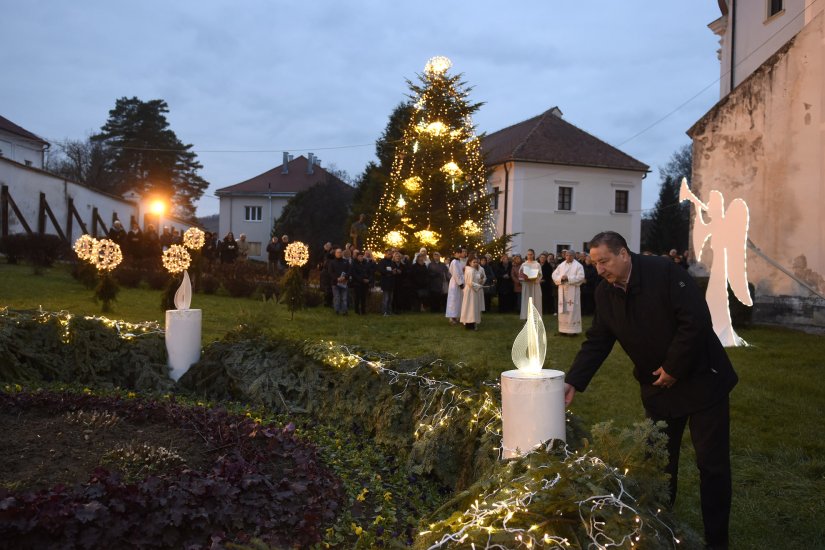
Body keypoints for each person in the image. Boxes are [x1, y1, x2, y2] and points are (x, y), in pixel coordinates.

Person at [564, 231, 737, 550]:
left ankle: (717, 540)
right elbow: (598, 340)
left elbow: (695, 320)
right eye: (594, 263)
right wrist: (573, 380)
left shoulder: (665, 272)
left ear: (624, 254)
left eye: (604, 261)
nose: (599, 269)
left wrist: (673, 367)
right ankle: (660, 530)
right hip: (658, 389)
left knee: (711, 465)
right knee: (658, 464)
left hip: (703, 381)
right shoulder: (605, 293)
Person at [552, 250, 585, 335]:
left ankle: (573, 331)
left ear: (574, 256)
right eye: (567, 255)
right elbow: (554, 275)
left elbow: (581, 277)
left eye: (570, 255)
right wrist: (561, 278)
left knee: (572, 310)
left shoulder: (578, 266)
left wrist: (568, 278)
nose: (568, 257)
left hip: (573, 291)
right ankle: (563, 330)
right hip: (562, 291)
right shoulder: (561, 265)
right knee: (563, 310)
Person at [460, 254, 485, 330]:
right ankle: (470, 324)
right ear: (469, 262)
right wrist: (479, 286)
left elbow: (474, 279)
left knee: (470, 307)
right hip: (471, 291)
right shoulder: (470, 271)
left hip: (471, 291)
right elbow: (470, 282)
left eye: (476, 262)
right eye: (474, 262)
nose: (475, 264)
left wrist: (480, 280)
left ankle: (470, 324)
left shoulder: (471, 270)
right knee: (471, 308)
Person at [519, 249, 543, 320]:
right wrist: (524, 278)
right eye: (528, 254)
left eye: (531, 254)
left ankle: (535, 318)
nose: (529, 256)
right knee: (527, 301)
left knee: (535, 301)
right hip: (526, 286)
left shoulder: (537, 264)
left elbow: (540, 274)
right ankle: (526, 317)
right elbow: (520, 274)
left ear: (533, 255)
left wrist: (535, 278)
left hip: (534, 286)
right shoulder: (524, 264)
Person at [327, 247, 351, 315]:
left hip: (344, 282)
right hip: (335, 283)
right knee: (336, 297)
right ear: (335, 254)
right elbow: (330, 272)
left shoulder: (346, 262)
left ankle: (344, 311)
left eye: (340, 252)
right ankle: (337, 310)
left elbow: (349, 271)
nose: (339, 254)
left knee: (344, 298)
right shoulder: (332, 262)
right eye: (337, 252)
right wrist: (337, 278)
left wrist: (345, 277)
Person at [445, 247, 466, 324]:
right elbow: (456, 273)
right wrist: (460, 283)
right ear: (457, 253)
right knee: (453, 300)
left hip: (458, 282)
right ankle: (451, 317)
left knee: (458, 300)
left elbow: (459, 272)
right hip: (455, 283)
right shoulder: (454, 262)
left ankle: (456, 316)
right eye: (462, 252)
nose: (463, 254)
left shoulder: (458, 262)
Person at [351, 250, 373, 315]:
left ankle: (363, 311)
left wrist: (368, 279)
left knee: (363, 298)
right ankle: (357, 311)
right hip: (357, 283)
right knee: (357, 298)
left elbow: (370, 272)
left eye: (362, 256)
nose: (361, 258)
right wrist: (362, 279)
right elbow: (354, 274)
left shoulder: (366, 263)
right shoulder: (354, 264)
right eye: (359, 256)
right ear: (357, 257)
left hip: (365, 284)